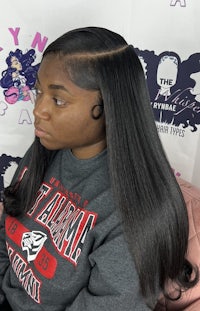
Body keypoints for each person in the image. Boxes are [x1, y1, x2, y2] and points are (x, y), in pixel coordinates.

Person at [0, 26, 198, 311]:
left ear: (107, 107)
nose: (38, 110)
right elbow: (6, 229)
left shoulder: (134, 211)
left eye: (57, 99)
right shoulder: (44, 151)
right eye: (39, 92)